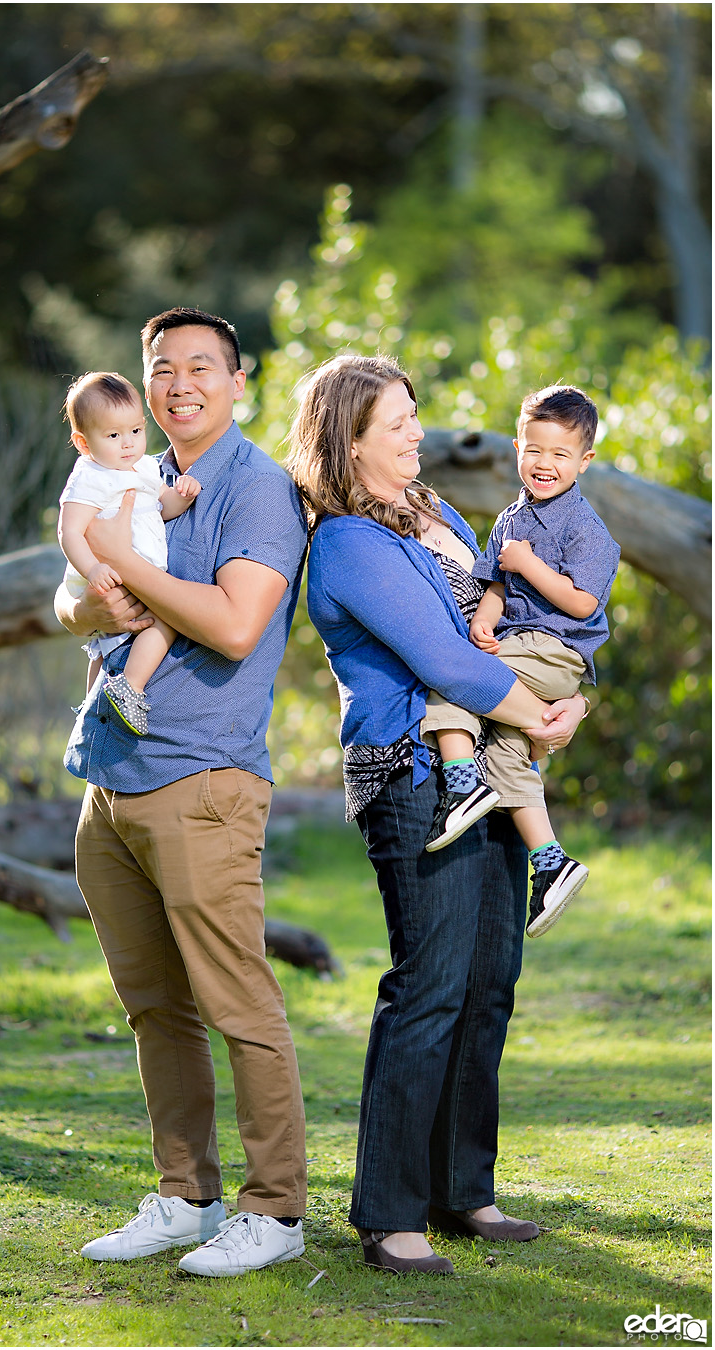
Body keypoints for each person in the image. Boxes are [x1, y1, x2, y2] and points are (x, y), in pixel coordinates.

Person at [286, 352, 587, 1276]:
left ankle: (464, 1190)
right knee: (431, 984)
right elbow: (443, 659)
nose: (419, 433)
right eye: (397, 424)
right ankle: (389, 1212)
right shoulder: (345, 542)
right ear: (349, 441)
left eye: (416, 415)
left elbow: (518, 612)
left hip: (487, 760)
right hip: (415, 776)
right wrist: (537, 712)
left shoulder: (437, 514)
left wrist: (572, 702)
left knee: (491, 980)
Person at [54, 308, 309, 1277]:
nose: (179, 383)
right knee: (155, 1008)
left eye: (202, 367)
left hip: (203, 779)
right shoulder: (130, 473)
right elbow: (67, 603)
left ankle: (275, 1213)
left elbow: (238, 626)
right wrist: (96, 587)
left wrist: (117, 566)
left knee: (236, 1003)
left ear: (239, 381)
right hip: (110, 780)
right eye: (162, 368)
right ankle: (184, 1194)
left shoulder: (259, 490)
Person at [421, 384, 620, 938]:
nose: (545, 464)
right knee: (511, 752)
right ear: (516, 448)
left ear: (585, 461)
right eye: (535, 450)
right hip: (520, 644)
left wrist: (530, 567)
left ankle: (462, 782)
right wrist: (484, 618)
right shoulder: (510, 519)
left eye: (560, 455)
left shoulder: (588, 531)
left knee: (456, 675)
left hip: (556, 652)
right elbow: (496, 585)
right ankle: (552, 862)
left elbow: (582, 602)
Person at [57, 370, 201, 733]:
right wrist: (92, 569)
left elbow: (159, 508)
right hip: (108, 573)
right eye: (113, 435)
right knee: (168, 619)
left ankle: (92, 710)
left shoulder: (144, 468)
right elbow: (69, 531)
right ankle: (130, 688)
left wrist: (180, 497)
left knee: (105, 644)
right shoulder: (90, 475)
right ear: (83, 443)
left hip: (136, 570)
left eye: (136, 431)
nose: (128, 444)